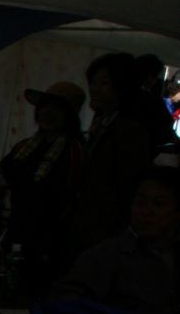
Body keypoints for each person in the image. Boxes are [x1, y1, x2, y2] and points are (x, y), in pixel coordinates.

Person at [66, 52, 168, 260]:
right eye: (93, 82)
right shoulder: (103, 122)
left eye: (104, 83)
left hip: (103, 229)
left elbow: (123, 186)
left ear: (122, 87)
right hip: (87, 224)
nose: (95, 89)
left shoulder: (129, 130)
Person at [50, 165, 180, 314]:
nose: (147, 211)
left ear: (176, 212)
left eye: (158, 204)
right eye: (140, 203)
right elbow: (65, 298)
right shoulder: (107, 256)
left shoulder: (170, 253)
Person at [0, 81, 85, 293]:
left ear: (69, 115)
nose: (47, 113)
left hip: (49, 239)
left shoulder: (75, 151)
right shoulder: (27, 146)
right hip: (17, 229)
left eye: (55, 108)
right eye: (44, 107)